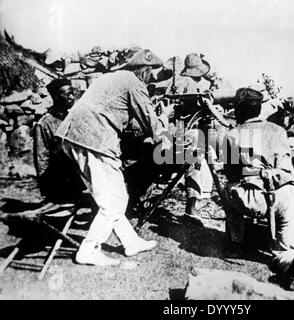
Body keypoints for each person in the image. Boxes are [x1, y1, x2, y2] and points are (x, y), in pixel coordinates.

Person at [56, 49, 169, 266]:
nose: (152, 78)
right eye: (152, 73)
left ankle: (131, 242)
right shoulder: (135, 83)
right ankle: (89, 249)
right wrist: (165, 116)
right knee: (114, 200)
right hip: (94, 140)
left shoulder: (111, 77)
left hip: (76, 135)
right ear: (144, 71)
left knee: (111, 196)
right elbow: (153, 128)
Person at [223, 87, 294, 290]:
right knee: (283, 249)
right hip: (289, 194)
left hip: (257, 197)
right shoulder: (278, 130)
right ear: (259, 109)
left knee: (228, 189)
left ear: (238, 110)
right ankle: (291, 259)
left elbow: (231, 173)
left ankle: (236, 243)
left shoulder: (233, 134)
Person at [179, 53, 234, 217]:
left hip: (213, 128)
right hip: (194, 130)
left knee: (224, 158)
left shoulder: (219, 83)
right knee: (195, 161)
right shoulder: (188, 82)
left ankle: (221, 199)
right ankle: (193, 203)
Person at [33, 78, 84, 203]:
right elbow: (42, 159)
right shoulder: (44, 124)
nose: (72, 97)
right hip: (58, 179)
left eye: (72, 93)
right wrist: (46, 186)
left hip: (77, 175)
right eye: (67, 94)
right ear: (56, 96)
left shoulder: (72, 118)